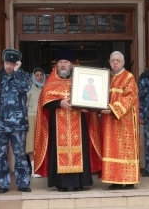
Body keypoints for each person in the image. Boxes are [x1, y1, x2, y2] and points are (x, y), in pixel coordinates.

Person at [34, 48, 102, 192]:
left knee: (80, 150)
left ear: (71, 65)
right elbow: (45, 102)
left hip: (79, 122)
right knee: (58, 151)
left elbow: (91, 98)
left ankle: (79, 183)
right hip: (58, 125)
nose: (63, 65)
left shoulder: (80, 81)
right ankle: (61, 184)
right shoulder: (51, 82)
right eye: (60, 62)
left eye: (66, 62)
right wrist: (60, 103)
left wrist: (87, 107)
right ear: (56, 65)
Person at [0, 49, 31, 193]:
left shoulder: (23, 76)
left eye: (12, 64)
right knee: (0, 155)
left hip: (18, 124)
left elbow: (25, 88)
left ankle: (23, 183)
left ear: (17, 64)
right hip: (0, 123)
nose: (8, 67)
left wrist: (17, 72)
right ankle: (2, 184)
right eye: (7, 63)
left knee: (20, 154)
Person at [101, 51, 140, 190]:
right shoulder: (107, 77)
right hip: (110, 121)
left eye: (118, 60)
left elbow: (129, 97)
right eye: (113, 60)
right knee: (112, 149)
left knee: (125, 149)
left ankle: (129, 180)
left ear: (123, 62)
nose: (115, 63)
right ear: (110, 62)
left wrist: (112, 109)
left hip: (125, 121)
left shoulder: (128, 77)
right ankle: (114, 180)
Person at [26, 68, 45, 178]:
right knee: (31, 143)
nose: (39, 77)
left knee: (41, 142)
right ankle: (34, 169)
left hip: (42, 117)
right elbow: (25, 103)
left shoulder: (46, 87)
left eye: (40, 75)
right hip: (31, 115)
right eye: (36, 75)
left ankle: (41, 168)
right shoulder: (29, 87)